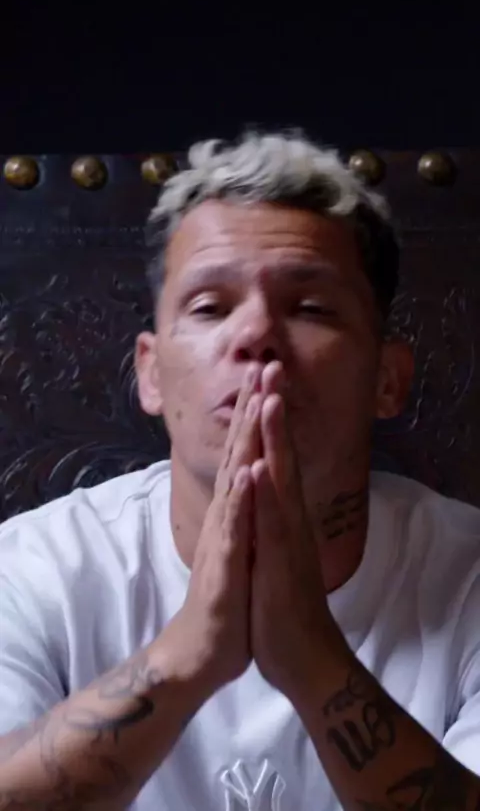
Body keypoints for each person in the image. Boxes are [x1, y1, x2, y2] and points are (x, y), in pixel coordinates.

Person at [0, 132, 479, 811]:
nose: (256, 336)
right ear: (151, 374)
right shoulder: (31, 570)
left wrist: (310, 659)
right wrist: (190, 654)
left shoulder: (468, 578)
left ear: (386, 379)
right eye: (209, 307)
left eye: (311, 308)